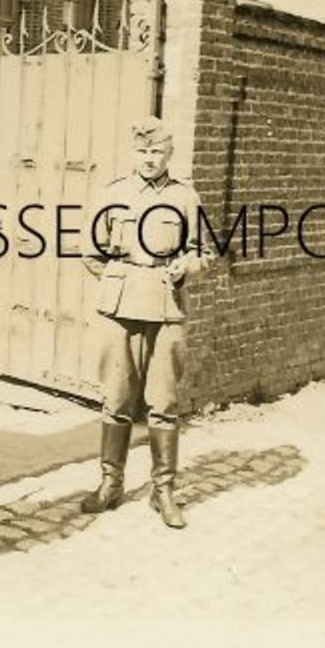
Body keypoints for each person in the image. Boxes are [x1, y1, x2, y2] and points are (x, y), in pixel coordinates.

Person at [81, 116, 211, 528]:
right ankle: (110, 484)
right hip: (119, 307)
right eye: (142, 151)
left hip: (166, 304)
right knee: (116, 398)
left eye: (157, 151)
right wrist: (123, 277)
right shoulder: (112, 193)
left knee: (164, 402)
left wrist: (185, 268)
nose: (149, 159)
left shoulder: (185, 198)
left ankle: (164, 490)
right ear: (132, 152)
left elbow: (204, 252)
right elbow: (90, 251)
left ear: (169, 154)